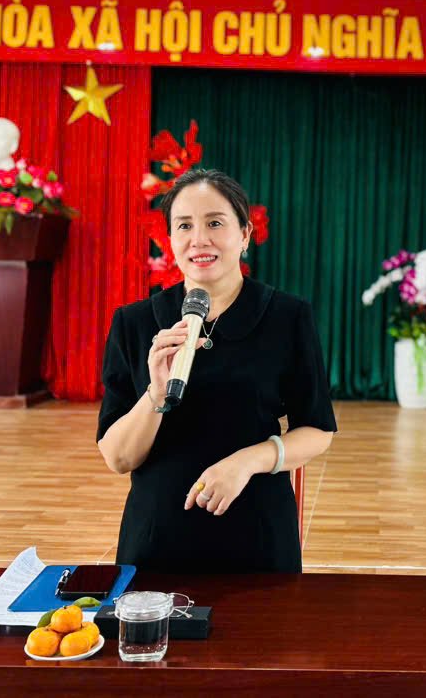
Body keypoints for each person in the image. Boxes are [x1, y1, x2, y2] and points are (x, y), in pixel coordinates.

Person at [96, 169, 336, 573]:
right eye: (184, 225)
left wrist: (247, 461)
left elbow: (317, 431)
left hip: (258, 535)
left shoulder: (287, 316)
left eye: (214, 223)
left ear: (245, 234)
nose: (199, 239)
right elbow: (119, 458)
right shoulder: (134, 323)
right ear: (169, 239)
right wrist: (155, 395)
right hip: (157, 538)